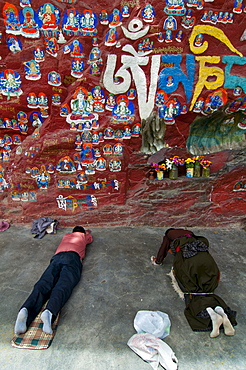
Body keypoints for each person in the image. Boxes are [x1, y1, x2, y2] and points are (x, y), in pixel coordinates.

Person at [151, 228, 237, 337]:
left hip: (190, 263)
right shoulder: (193, 237)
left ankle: (208, 313)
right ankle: (221, 313)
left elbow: (163, 249)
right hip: (208, 263)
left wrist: (158, 261)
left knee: (192, 290)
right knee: (206, 289)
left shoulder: (169, 235)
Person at [14, 226, 93, 335]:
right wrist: (87, 232)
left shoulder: (66, 236)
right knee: (64, 284)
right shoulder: (84, 236)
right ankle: (49, 312)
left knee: (45, 283)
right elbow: (90, 238)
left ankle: (26, 309)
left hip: (56, 258)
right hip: (72, 258)